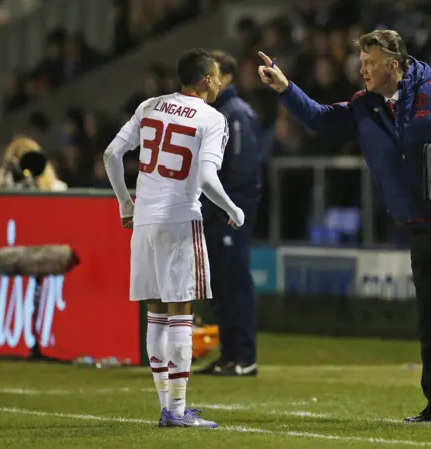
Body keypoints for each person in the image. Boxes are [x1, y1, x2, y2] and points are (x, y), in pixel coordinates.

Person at [257, 30, 431, 423]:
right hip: (419, 227)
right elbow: (321, 119)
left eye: (369, 63)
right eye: (361, 63)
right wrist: (286, 89)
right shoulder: (364, 106)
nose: (362, 70)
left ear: (394, 63)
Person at [103, 48, 244, 428]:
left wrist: (125, 205)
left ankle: (167, 406)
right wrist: (233, 209)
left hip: (144, 220)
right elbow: (206, 178)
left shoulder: (150, 105)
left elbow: (112, 154)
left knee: (156, 316)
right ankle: (179, 410)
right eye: (215, 76)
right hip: (180, 219)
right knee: (182, 312)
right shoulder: (212, 118)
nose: (218, 82)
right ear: (204, 80)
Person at [194, 50, 262, 377]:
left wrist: (229, 212)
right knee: (221, 288)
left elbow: (243, 172)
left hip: (228, 218)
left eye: (211, 74)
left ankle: (244, 357)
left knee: (235, 286)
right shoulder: (217, 113)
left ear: (227, 77)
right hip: (215, 215)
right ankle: (229, 355)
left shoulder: (236, 115)